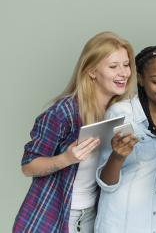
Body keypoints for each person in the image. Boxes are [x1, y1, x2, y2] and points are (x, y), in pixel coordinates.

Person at [13, 31, 136, 233]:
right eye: (113, 66)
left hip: (94, 216)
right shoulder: (63, 112)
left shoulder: (121, 113)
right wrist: (66, 158)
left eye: (126, 64)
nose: (123, 73)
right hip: (53, 216)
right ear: (92, 72)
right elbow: (28, 166)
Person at [94, 45, 156, 233]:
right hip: (122, 226)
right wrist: (117, 157)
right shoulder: (120, 114)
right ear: (141, 79)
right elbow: (105, 183)